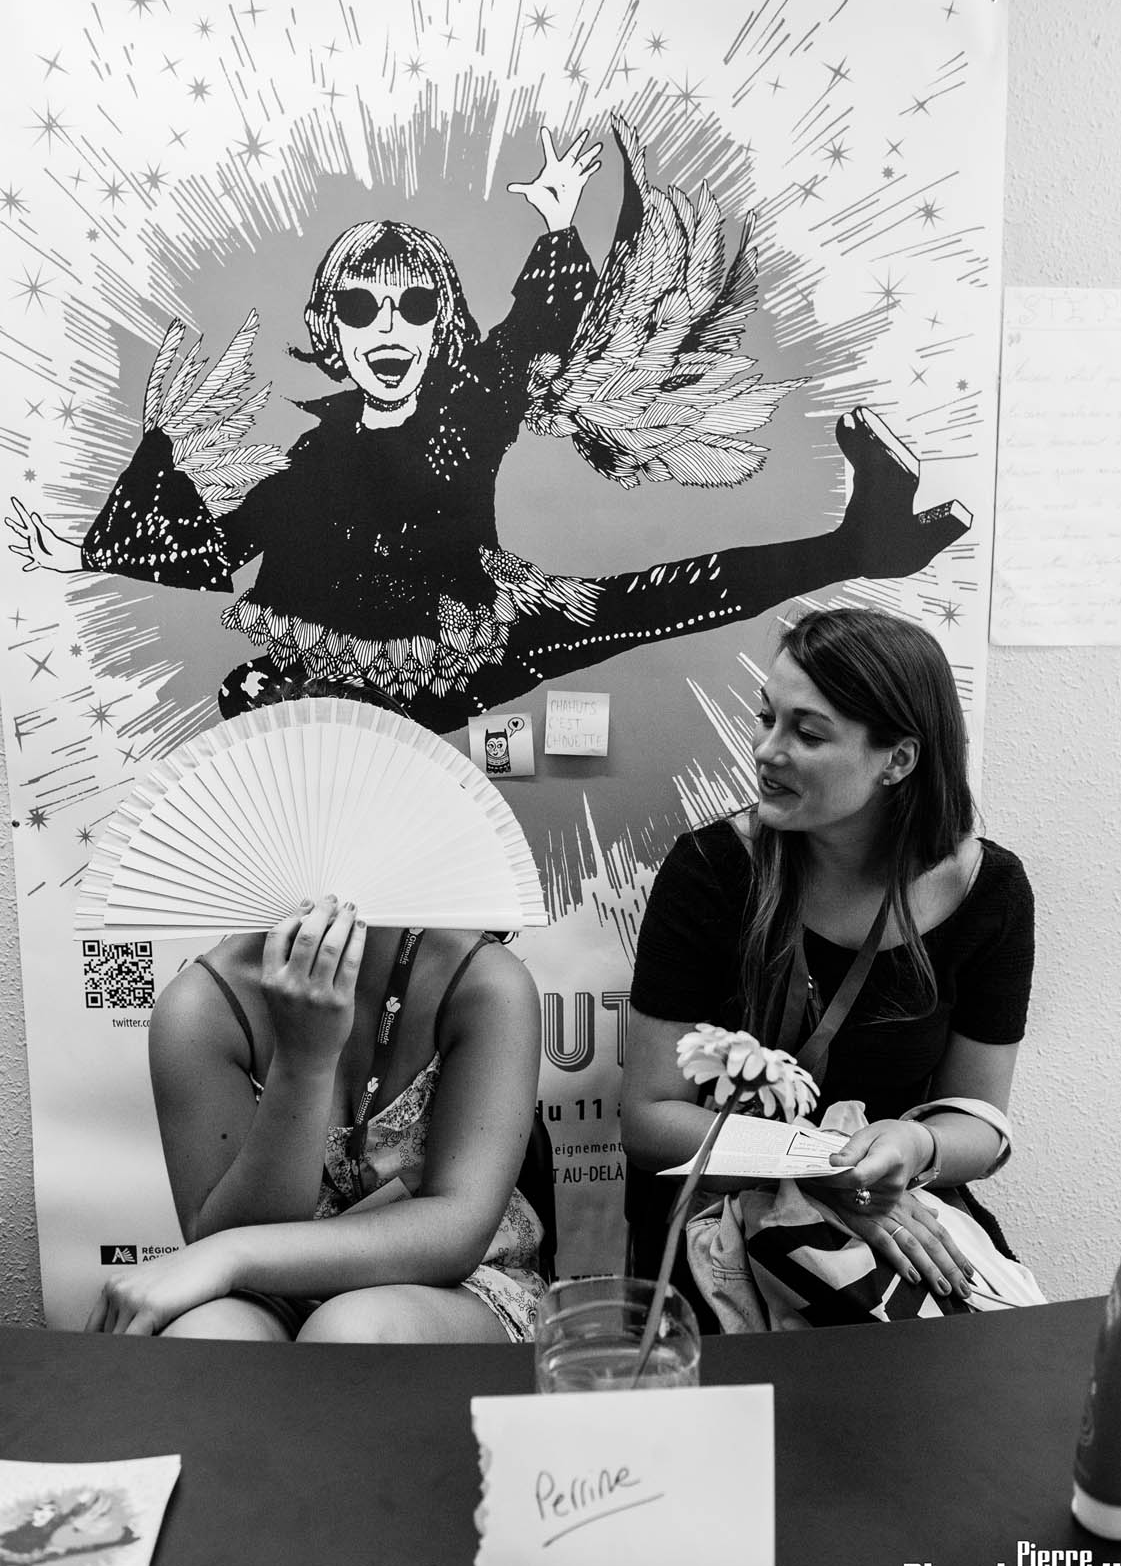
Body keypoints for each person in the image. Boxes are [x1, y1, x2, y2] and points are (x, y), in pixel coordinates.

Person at [8, 124, 967, 735]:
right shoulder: (310, 463)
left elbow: (533, 331)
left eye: (415, 305)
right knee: (261, 718)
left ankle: (864, 542)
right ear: (332, 330)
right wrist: (84, 550)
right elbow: (219, 549)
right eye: (363, 308)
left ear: (440, 325)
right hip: (327, 677)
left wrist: (558, 223)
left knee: (656, 598)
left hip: (465, 646)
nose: (389, 328)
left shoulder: (468, 405)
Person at [622, 605, 1034, 1311]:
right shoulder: (711, 870)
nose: (766, 750)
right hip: (720, 1219)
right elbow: (650, 1119)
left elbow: (979, 1126)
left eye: (807, 733)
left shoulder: (988, 891)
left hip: (899, 1210)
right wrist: (820, 1170)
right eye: (766, 718)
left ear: (898, 760)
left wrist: (913, 1147)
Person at [85, 899, 544, 1342]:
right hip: (268, 1290)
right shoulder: (201, 1005)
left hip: (460, 1286)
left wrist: (232, 1253)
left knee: (351, 1332)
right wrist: (304, 1060)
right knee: (206, 1340)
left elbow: (456, 1234)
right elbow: (224, 1239)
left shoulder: (485, 982)